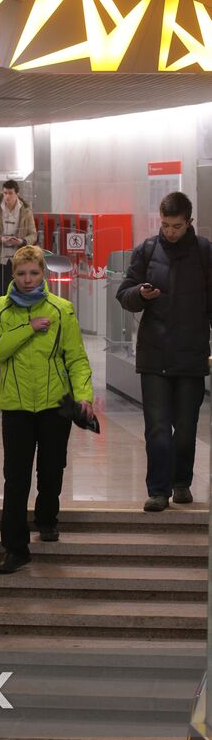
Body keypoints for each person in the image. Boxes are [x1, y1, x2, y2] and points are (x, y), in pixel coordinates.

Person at [0, 245, 95, 574]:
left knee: (51, 467)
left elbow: (76, 358)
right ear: (12, 275)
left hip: (55, 405)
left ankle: (47, 518)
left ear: (43, 274)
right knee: (15, 477)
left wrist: (83, 395)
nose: (28, 280)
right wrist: (28, 327)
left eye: (34, 273)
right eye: (21, 273)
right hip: (15, 406)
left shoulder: (62, 310)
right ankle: (15, 547)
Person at [116, 191, 212, 512]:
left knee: (185, 429)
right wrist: (141, 295)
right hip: (154, 357)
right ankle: (158, 490)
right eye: (166, 225)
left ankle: (181, 482)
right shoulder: (146, 250)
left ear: (189, 223)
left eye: (177, 226)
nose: (170, 231)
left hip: (191, 357)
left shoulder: (204, 253)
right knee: (157, 428)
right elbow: (124, 293)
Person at [0, 180, 37, 296]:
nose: (7, 196)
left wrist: (22, 241)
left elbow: (33, 234)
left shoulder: (26, 211)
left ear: (17, 193)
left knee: (19, 295)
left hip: (19, 260)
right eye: (5, 193)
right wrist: (0, 239)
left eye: (10, 193)